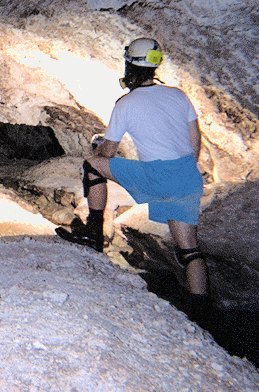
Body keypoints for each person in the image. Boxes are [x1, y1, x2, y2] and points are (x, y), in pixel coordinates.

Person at [55, 37, 209, 321]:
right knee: (189, 250)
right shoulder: (179, 96)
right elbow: (194, 141)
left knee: (93, 165)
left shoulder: (126, 104)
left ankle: (93, 235)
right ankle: (202, 315)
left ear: (130, 66)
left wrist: (99, 148)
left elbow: (109, 154)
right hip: (187, 175)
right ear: (155, 66)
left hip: (157, 175)